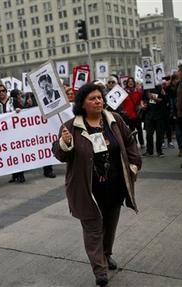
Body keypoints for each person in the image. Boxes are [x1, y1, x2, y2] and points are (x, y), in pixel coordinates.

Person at [52, 83, 141, 287]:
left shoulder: (114, 120)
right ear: (82, 103)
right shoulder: (70, 127)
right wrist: (65, 143)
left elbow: (129, 142)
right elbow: (60, 155)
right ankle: (100, 269)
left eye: (100, 97)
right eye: (92, 98)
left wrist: (134, 166)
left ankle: (106, 254)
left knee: (109, 226)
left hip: (115, 186)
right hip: (87, 190)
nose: (98, 101)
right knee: (93, 230)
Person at [0, 84, 25, 183]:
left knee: (17, 153)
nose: (1, 92)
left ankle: (20, 174)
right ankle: (13, 174)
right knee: (8, 154)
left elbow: (23, 112)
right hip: (1, 135)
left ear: (6, 91)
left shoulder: (13, 101)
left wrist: (19, 110)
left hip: (14, 132)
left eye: (3, 90)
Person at [121, 77, 145, 149]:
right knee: (132, 131)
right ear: (127, 83)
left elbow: (142, 101)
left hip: (137, 114)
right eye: (129, 81)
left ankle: (142, 143)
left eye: (132, 81)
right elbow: (121, 103)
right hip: (128, 115)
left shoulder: (138, 92)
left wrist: (141, 105)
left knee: (139, 129)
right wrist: (123, 110)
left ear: (134, 83)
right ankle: (135, 143)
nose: (130, 83)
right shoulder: (123, 93)